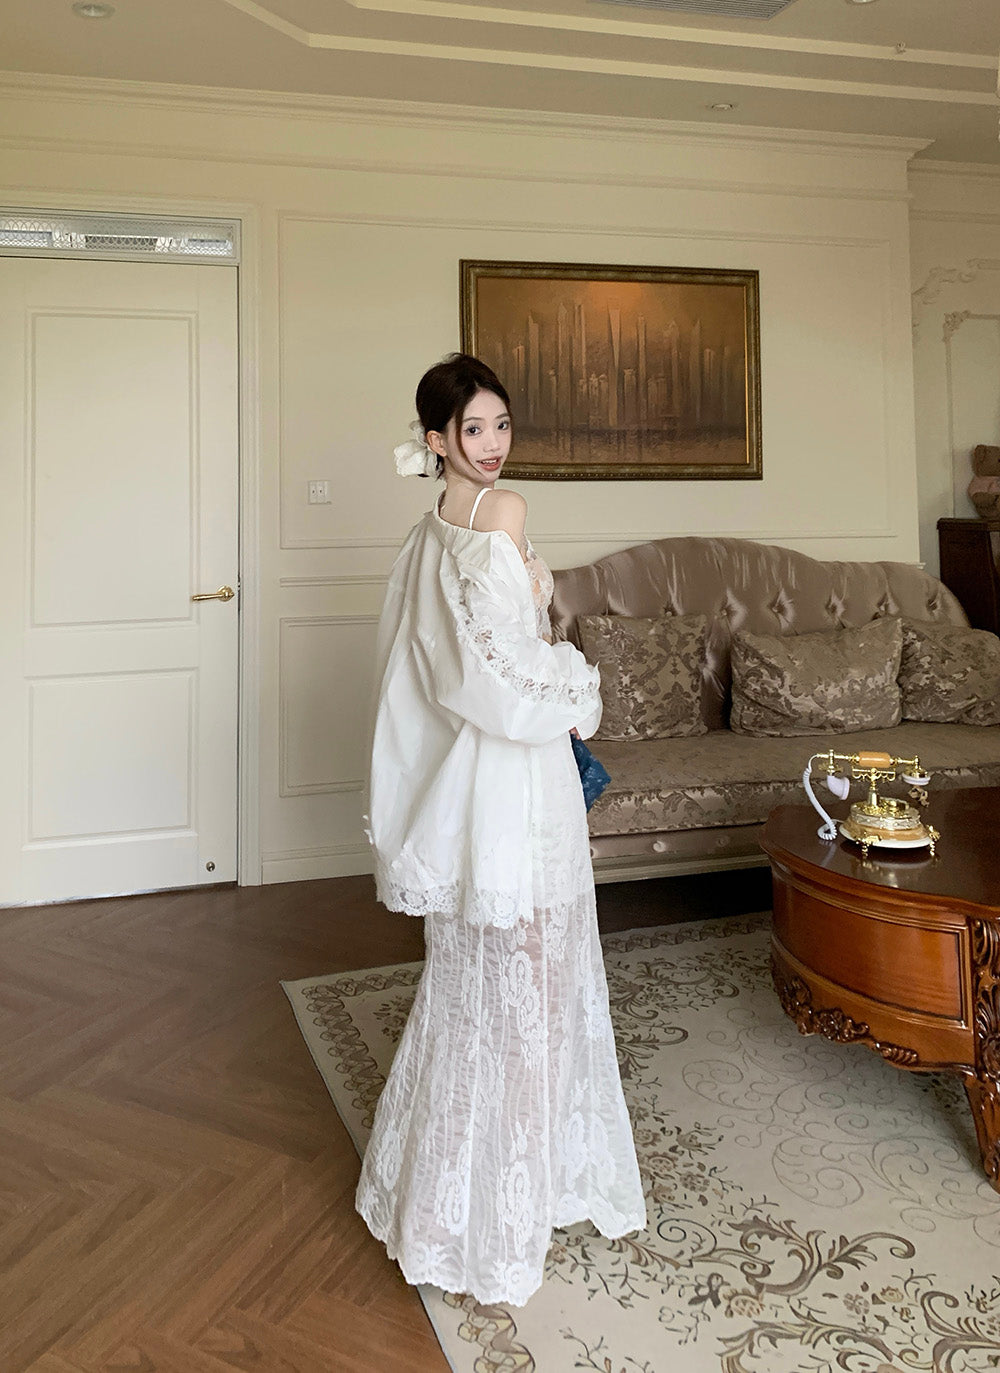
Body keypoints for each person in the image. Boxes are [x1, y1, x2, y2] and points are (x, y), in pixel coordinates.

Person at [358, 352, 646, 1307]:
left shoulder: (428, 529)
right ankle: (508, 1212)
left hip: (474, 785)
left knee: (474, 983)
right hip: (517, 779)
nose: (491, 444)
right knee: (535, 980)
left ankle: (444, 1200)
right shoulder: (500, 512)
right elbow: (500, 676)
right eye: (473, 428)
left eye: (501, 425)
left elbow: (423, 665)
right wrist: (580, 686)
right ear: (435, 439)